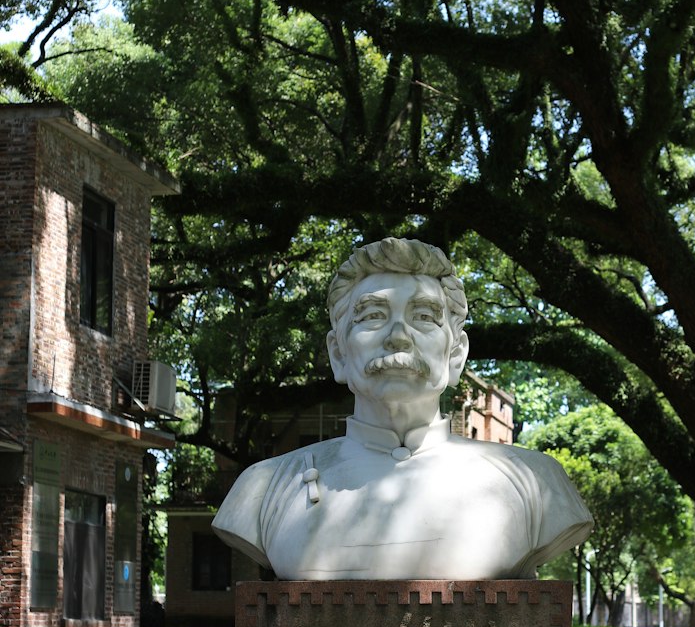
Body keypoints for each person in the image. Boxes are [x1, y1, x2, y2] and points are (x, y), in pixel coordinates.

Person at [212, 237, 592, 580]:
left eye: (424, 317)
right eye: (373, 316)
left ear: (456, 354)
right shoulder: (266, 489)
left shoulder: (534, 486)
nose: (398, 336)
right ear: (338, 353)